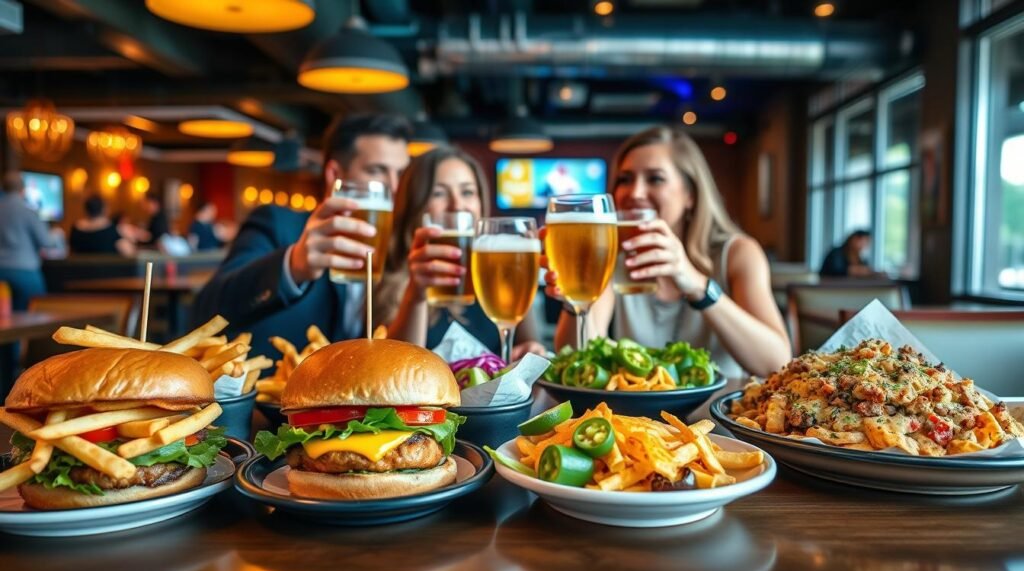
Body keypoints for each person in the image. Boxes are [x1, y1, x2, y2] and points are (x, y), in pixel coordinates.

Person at [547, 126, 791, 378]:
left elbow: (777, 363)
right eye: (625, 179)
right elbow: (577, 356)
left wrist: (697, 285)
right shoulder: (611, 253)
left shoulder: (737, 253)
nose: (635, 193)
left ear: (691, 195)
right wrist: (576, 301)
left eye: (655, 179)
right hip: (634, 415)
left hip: (716, 414)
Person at [193, 114, 412, 358]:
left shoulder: (405, 247)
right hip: (284, 393)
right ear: (335, 175)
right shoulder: (279, 224)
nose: (395, 188)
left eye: (401, 174)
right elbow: (207, 313)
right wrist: (293, 265)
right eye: (377, 171)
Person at [380, 146, 543, 358]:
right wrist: (416, 294)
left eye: (467, 192)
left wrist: (530, 352)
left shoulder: (500, 266)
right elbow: (398, 371)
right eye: (438, 193)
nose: (457, 205)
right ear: (413, 205)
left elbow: (530, 344)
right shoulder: (382, 275)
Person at [0, 171, 57, 310]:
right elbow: (46, 242)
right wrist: (55, 237)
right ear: (23, 189)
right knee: (37, 313)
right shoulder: (28, 211)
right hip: (25, 271)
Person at [69, 194, 136, 256]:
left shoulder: (75, 229)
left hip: (81, 268)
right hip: (107, 268)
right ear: (104, 209)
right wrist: (130, 239)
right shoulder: (112, 231)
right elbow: (130, 253)